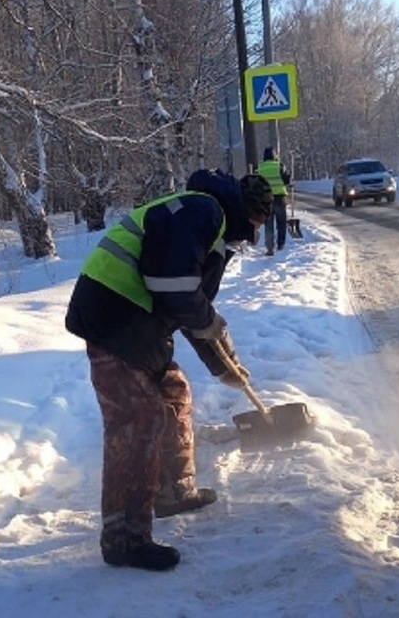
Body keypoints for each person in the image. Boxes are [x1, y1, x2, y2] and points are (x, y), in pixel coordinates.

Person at [64, 170, 274, 572]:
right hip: (112, 313)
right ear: (249, 211)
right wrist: (208, 321)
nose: (254, 234)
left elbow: (191, 308)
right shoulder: (204, 210)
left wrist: (224, 365)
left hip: (138, 321)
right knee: (138, 419)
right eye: (259, 223)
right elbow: (175, 288)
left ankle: (175, 492)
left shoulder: (209, 226)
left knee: (174, 393)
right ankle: (124, 538)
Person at [256, 147, 291, 256]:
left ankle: (270, 247)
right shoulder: (280, 166)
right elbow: (287, 180)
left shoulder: (259, 168)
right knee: (281, 222)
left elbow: (256, 184)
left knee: (268, 223)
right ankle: (281, 244)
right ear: (274, 156)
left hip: (266, 199)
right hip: (280, 198)